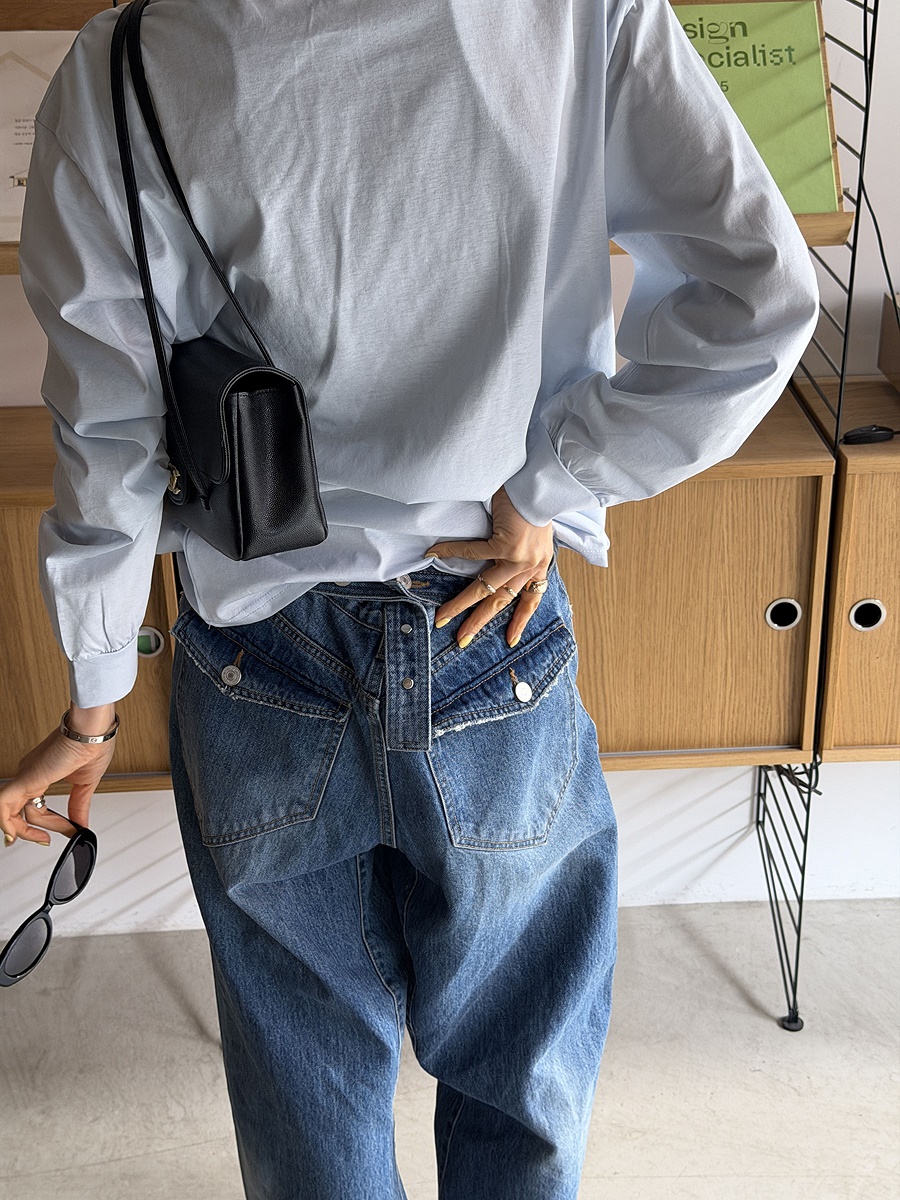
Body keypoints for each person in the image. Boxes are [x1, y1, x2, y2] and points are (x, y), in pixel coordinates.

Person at [2, 0, 819, 1195]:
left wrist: (92, 704)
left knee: (307, 1084)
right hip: (490, 613)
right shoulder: (584, 14)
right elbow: (759, 295)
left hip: (259, 638)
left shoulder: (120, 61)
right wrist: (555, 483)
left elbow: (108, 429)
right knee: (520, 1063)